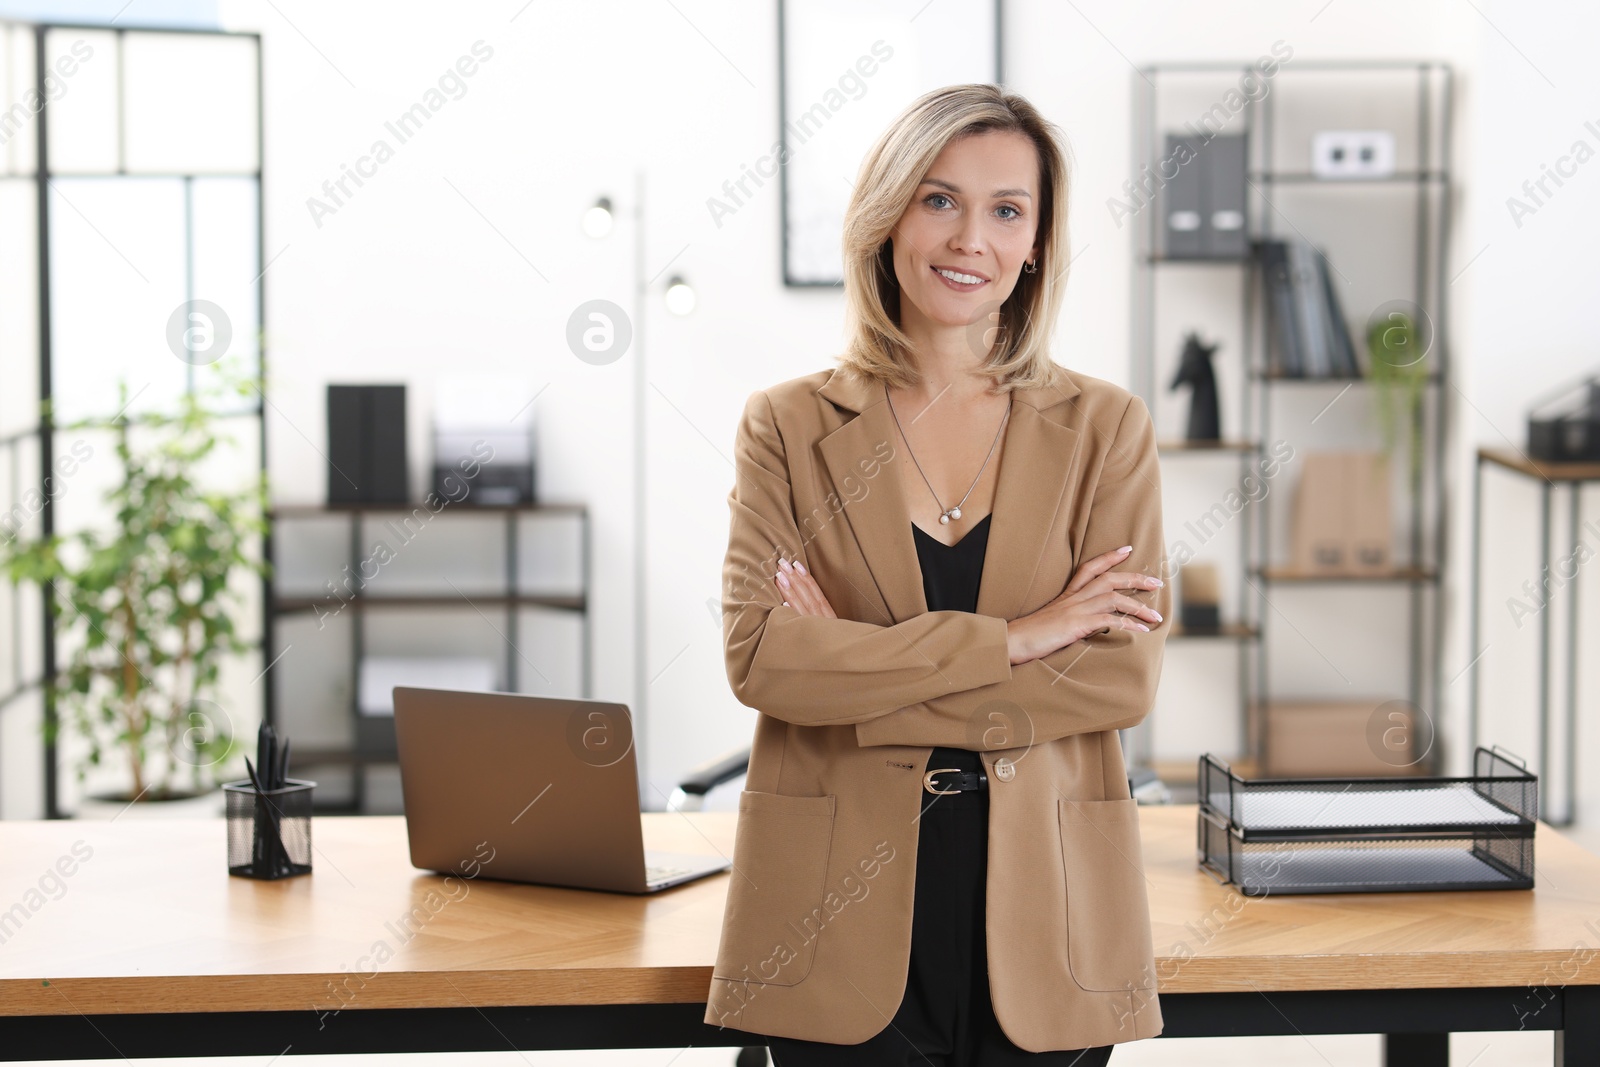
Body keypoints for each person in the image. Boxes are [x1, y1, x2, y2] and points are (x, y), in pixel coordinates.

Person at [704, 83, 1171, 1065]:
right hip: (832, 908)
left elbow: (1119, 678)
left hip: (1047, 911)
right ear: (887, 215)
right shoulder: (786, 425)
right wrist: (1017, 636)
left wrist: (856, 679)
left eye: (1008, 208)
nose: (971, 238)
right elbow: (762, 660)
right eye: (938, 198)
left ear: (1037, 241)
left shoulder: (1104, 429)